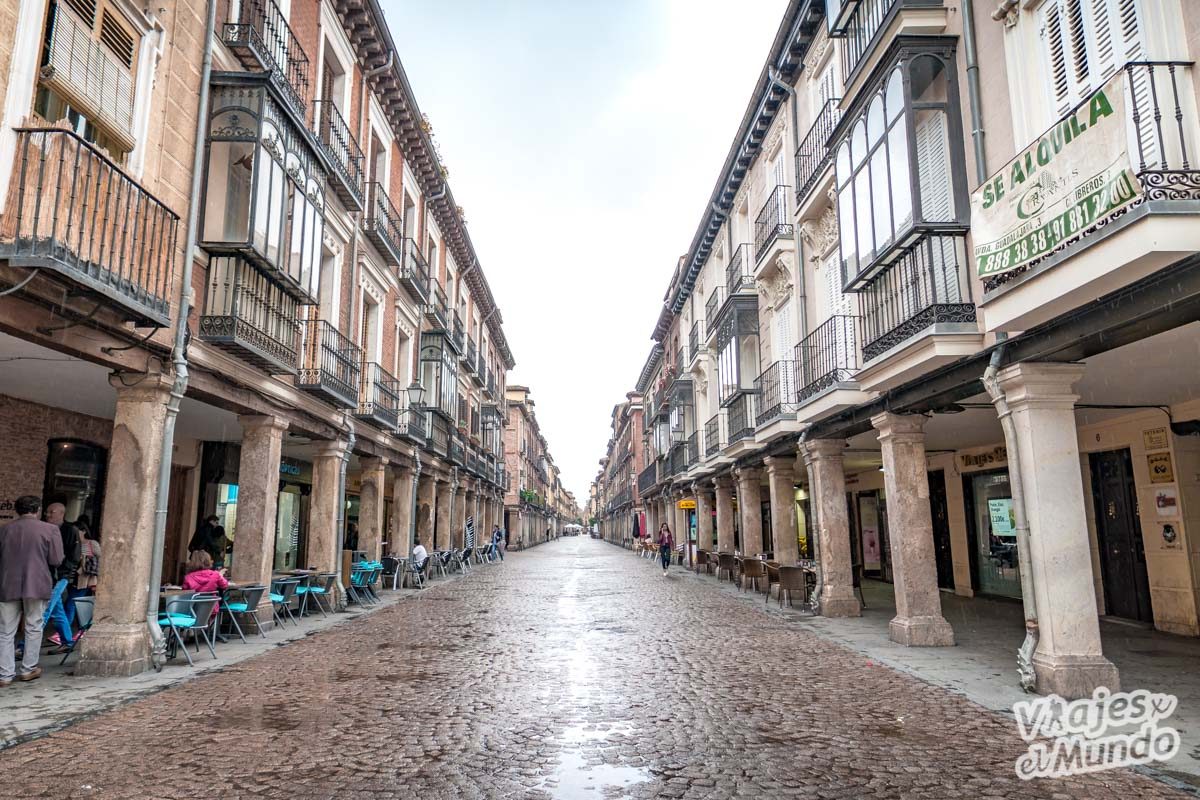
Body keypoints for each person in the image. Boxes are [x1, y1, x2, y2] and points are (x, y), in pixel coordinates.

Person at [0, 496, 64, 685]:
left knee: (5, 630)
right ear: (37, 510)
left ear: (17, 511)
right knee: (34, 626)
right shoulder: (50, 529)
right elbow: (56, 559)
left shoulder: (5, 530)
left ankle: (4, 674)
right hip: (36, 584)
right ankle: (28, 669)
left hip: (7, 584)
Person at [42, 503, 79, 648]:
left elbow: (74, 555)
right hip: (46, 573)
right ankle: (67, 641)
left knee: (45, 609)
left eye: (52, 512)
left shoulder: (70, 530)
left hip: (60, 575)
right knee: (57, 610)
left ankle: (23, 645)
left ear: (62, 513)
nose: (48, 515)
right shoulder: (44, 528)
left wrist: (65, 571)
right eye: (47, 512)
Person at [181, 550, 228, 621]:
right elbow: (224, 585)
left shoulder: (188, 577)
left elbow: (184, 594)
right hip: (211, 609)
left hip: (193, 610)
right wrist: (220, 575)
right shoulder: (215, 575)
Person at [74, 515, 100, 597]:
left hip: (86, 579)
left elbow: (100, 559)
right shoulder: (73, 543)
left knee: (71, 604)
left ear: (84, 531)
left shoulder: (92, 543)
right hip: (73, 577)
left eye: (76, 530)